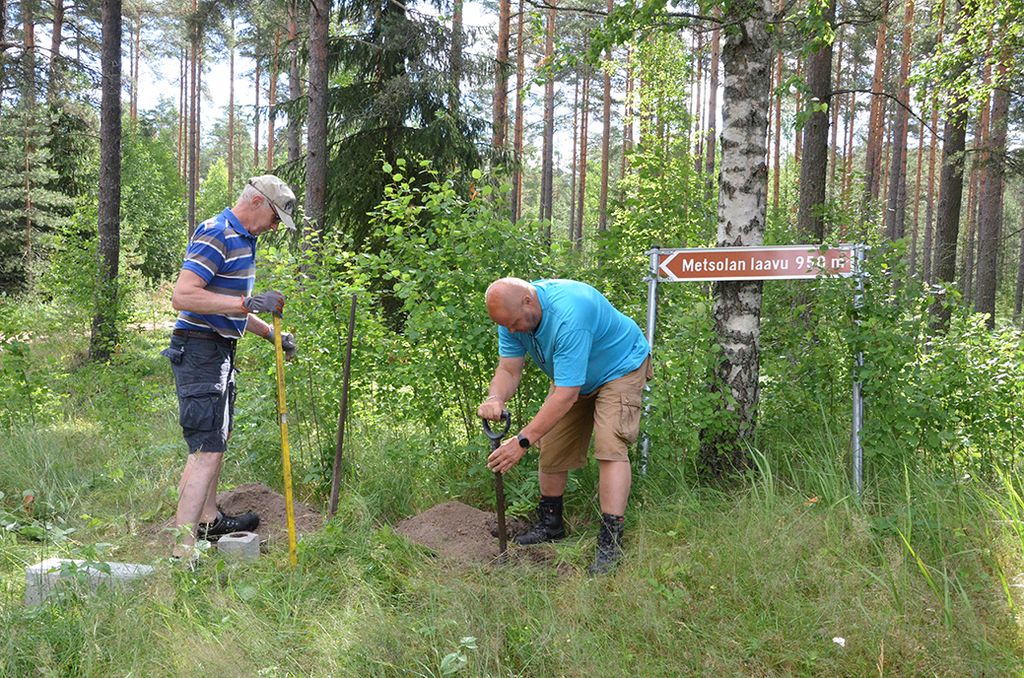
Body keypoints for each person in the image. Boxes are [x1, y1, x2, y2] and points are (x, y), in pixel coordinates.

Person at [161, 175, 299, 562]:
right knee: (204, 449)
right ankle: (182, 551)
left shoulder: (244, 239)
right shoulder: (217, 232)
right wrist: (246, 304)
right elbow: (183, 295)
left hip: (219, 349)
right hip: (199, 349)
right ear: (257, 202)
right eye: (274, 219)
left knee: (216, 442)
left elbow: (233, 303)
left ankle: (207, 520)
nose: (274, 228)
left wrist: (271, 333)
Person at [478, 277, 651, 574]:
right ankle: (551, 525)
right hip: (571, 377)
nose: (511, 330)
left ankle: (610, 540)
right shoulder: (509, 318)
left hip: (620, 367)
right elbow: (508, 368)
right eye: (505, 325)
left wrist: (521, 441)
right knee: (553, 444)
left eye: (514, 323)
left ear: (528, 302)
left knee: (610, 446)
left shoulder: (570, 314)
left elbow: (566, 395)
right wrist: (496, 397)